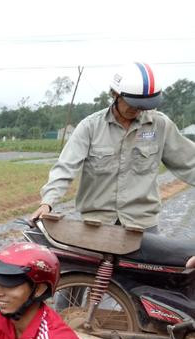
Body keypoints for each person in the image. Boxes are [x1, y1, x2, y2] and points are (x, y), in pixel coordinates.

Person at [32, 62, 195, 234]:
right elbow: (65, 168)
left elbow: (190, 161)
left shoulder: (160, 125)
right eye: (133, 104)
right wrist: (47, 203)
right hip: (97, 225)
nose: (139, 110)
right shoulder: (90, 127)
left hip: (142, 226)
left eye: (144, 105)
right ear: (115, 94)